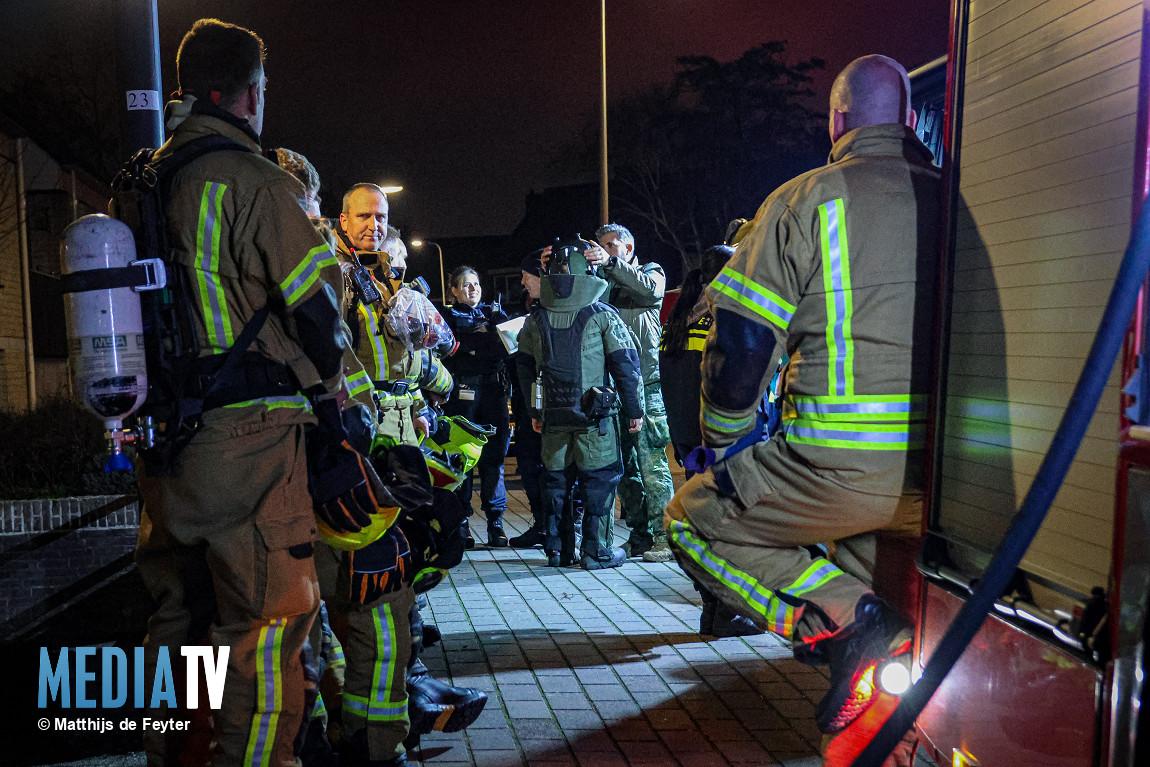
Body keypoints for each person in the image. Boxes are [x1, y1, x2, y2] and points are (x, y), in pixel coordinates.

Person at [664, 54, 941, 736]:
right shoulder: (962, 197)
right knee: (859, 568)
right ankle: (879, 706)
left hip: (839, 465)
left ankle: (858, 628)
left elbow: (742, 345)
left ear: (837, 120)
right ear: (909, 119)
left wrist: (724, 448)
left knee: (691, 519)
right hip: (952, 476)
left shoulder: (804, 199)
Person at [134, 19, 374, 767]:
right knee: (265, 632)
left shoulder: (143, 182)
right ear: (249, 94)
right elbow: (319, 319)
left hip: (168, 452)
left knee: (179, 621)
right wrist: (338, 403)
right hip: (252, 445)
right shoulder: (257, 183)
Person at [326, 183, 484, 765]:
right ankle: (395, 699)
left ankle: (409, 683)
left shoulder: (388, 277)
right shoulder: (337, 276)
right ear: (343, 219)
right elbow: (344, 360)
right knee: (378, 573)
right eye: (364, 215)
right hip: (367, 442)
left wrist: (439, 388)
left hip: (404, 433)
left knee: (415, 556)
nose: (373, 225)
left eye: (382, 216)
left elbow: (418, 357)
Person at [517, 238, 644, 570]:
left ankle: (557, 549)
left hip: (552, 420)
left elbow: (523, 368)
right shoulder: (602, 314)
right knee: (600, 482)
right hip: (595, 419)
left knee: (556, 483)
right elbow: (626, 365)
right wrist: (634, 411)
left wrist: (534, 411)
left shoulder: (535, 318)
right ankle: (596, 550)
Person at [586, 224, 675, 563]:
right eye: (602, 246)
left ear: (628, 246)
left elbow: (650, 293)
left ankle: (666, 537)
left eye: (612, 245)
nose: (606, 250)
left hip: (647, 383)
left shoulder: (651, 272)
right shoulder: (605, 281)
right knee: (624, 468)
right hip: (615, 387)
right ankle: (640, 534)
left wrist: (608, 264)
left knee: (652, 464)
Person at [440, 266, 512, 547]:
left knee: (494, 457)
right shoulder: (447, 317)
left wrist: (476, 340)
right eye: (466, 285)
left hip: (493, 392)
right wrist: (479, 340)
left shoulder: (494, 314)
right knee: (463, 458)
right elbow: (449, 347)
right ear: (454, 291)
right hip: (463, 392)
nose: (473, 289)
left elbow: (509, 343)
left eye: (476, 284)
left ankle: (496, 521)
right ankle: (462, 522)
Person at [658, 245, 731, 475]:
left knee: (696, 496)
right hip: (710, 432)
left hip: (682, 431)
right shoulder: (719, 316)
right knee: (716, 500)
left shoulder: (676, 319)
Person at [507, 254, 548, 548]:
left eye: (527, 276)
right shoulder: (529, 310)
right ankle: (542, 524)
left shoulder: (553, 312)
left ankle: (559, 527)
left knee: (551, 469)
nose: (522, 282)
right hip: (525, 402)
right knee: (529, 465)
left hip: (546, 402)